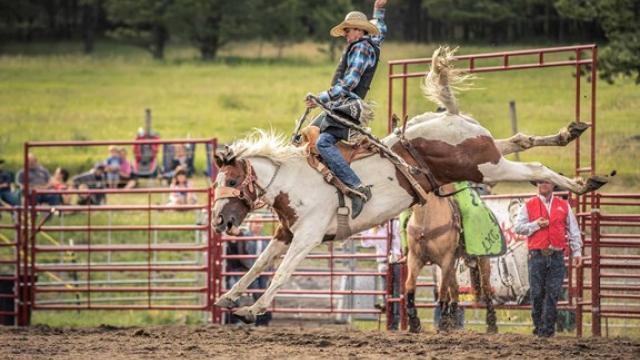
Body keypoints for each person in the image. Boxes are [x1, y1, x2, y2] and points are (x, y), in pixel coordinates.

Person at [305, 0, 388, 219]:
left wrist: (321, 97)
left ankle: (356, 188)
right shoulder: (371, 42)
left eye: (348, 30)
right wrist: (379, 10)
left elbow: (351, 81)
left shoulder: (360, 47)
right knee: (309, 133)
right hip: (340, 105)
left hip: (346, 106)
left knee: (323, 142)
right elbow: (381, 31)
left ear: (359, 31)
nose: (345, 34)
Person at [514, 179, 583, 338]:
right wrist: (536, 224)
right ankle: (540, 327)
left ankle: (546, 331)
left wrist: (577, 252)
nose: (542, 184)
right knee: (537, 294)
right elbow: (518, 227)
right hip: (537, 254)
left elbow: (573, 230)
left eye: (546, 181)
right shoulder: (528, 205)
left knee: (552, 294)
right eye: (539, 182)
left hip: (556, 255)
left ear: (553, 185)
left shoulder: (563, 205)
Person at [224, 214, 272, 326]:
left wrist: (266, 269)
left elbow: (270, 257)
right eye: (255, 222)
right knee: (256, 291)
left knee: (262, 291)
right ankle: (257, 319)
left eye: (260, 223)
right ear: (250, 224)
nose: (258, 225)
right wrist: (253, 270)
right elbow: (242, 255)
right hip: (248, 271)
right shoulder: (244, 236)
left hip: (262, 271)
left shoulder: (265, 239)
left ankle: (261, 320)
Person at [361, 220, 401, 330]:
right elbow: (365, 242)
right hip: (384, 262)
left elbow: (400, 241)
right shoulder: (374, 228)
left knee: (396, 292)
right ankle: (390, 318)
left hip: (396, 261)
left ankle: (395, 321)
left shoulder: (395, 225)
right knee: (387, 291)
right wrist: (363, 228)